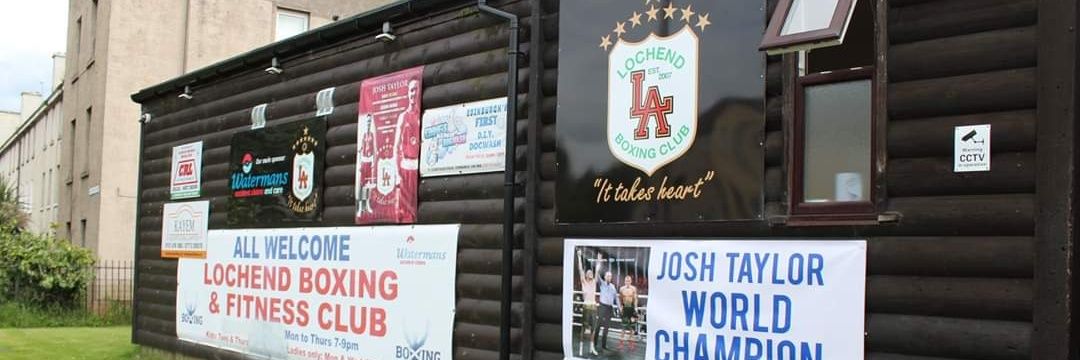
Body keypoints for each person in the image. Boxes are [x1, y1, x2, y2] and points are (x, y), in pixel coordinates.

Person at [594, 253, 621, 352]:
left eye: (610, 276)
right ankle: (595, 343)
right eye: (607, 276)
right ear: (605, 277)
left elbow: (616, 298)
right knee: (598, 325)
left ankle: (604, 345)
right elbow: (596, 273)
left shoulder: (613, 287)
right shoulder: (602, 283)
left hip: (609, 308)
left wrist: (619, 307)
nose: (609, 277)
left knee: (606, 327)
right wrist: (599, 261)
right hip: (602, 306)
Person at [576, 249, 600, 356]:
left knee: (593, 329)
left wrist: (599, 260)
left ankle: (591, 348)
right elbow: (581, 269)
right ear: (586, 275)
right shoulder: (584, 282)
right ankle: (581, 348)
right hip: (586, 306)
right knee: (583, 328)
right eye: (588, 272)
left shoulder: (594, 282)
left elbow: (598, 270)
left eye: (591, 272)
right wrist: (579, 256)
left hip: (594, 307)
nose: (590, 273)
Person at [618, 275, 639, 352]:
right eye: (626, 281)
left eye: (629, 280)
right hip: (625, 309)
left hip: (631, 308)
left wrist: (636, 308)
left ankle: (631, 343)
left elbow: (635, 299)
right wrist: (621, 307)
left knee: (632, 328)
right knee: (623, 328)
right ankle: (621, 343)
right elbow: (620, 299)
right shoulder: (621, 289)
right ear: (624, 281)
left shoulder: (633, 289)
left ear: (631, 281)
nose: (628, 282)